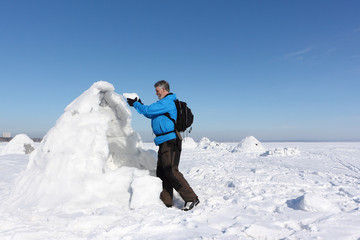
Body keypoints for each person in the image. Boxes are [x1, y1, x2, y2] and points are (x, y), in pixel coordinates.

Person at [127, 80, 199, 211]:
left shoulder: (167, 102)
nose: (155, 93)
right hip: (163, 141)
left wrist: (136, 104)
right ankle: (165, 201)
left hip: (171, 141)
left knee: (171, 170)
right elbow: (149, 113)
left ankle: (191, 198)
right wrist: (139, 105)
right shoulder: (162, 104)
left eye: (157, 90)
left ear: (164, 89)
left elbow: (149, 109)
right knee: (162, 172)